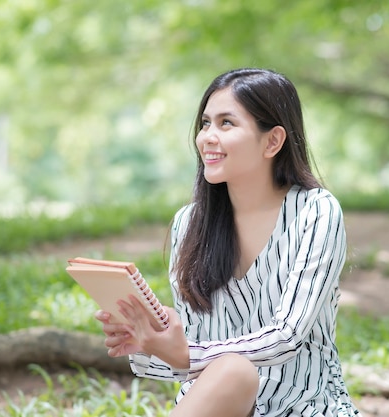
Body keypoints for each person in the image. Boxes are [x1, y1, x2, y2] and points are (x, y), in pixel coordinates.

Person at [95, 68, 362, 417]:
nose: (208, 136)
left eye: (226, 123)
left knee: (233, 368)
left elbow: (288, 337)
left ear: (273, 141)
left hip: (303, 407)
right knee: (230, 372)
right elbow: (191, 360)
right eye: (205, 123)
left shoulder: (316, 211)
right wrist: (147, 343)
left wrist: (188, 354)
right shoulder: (189, 224)